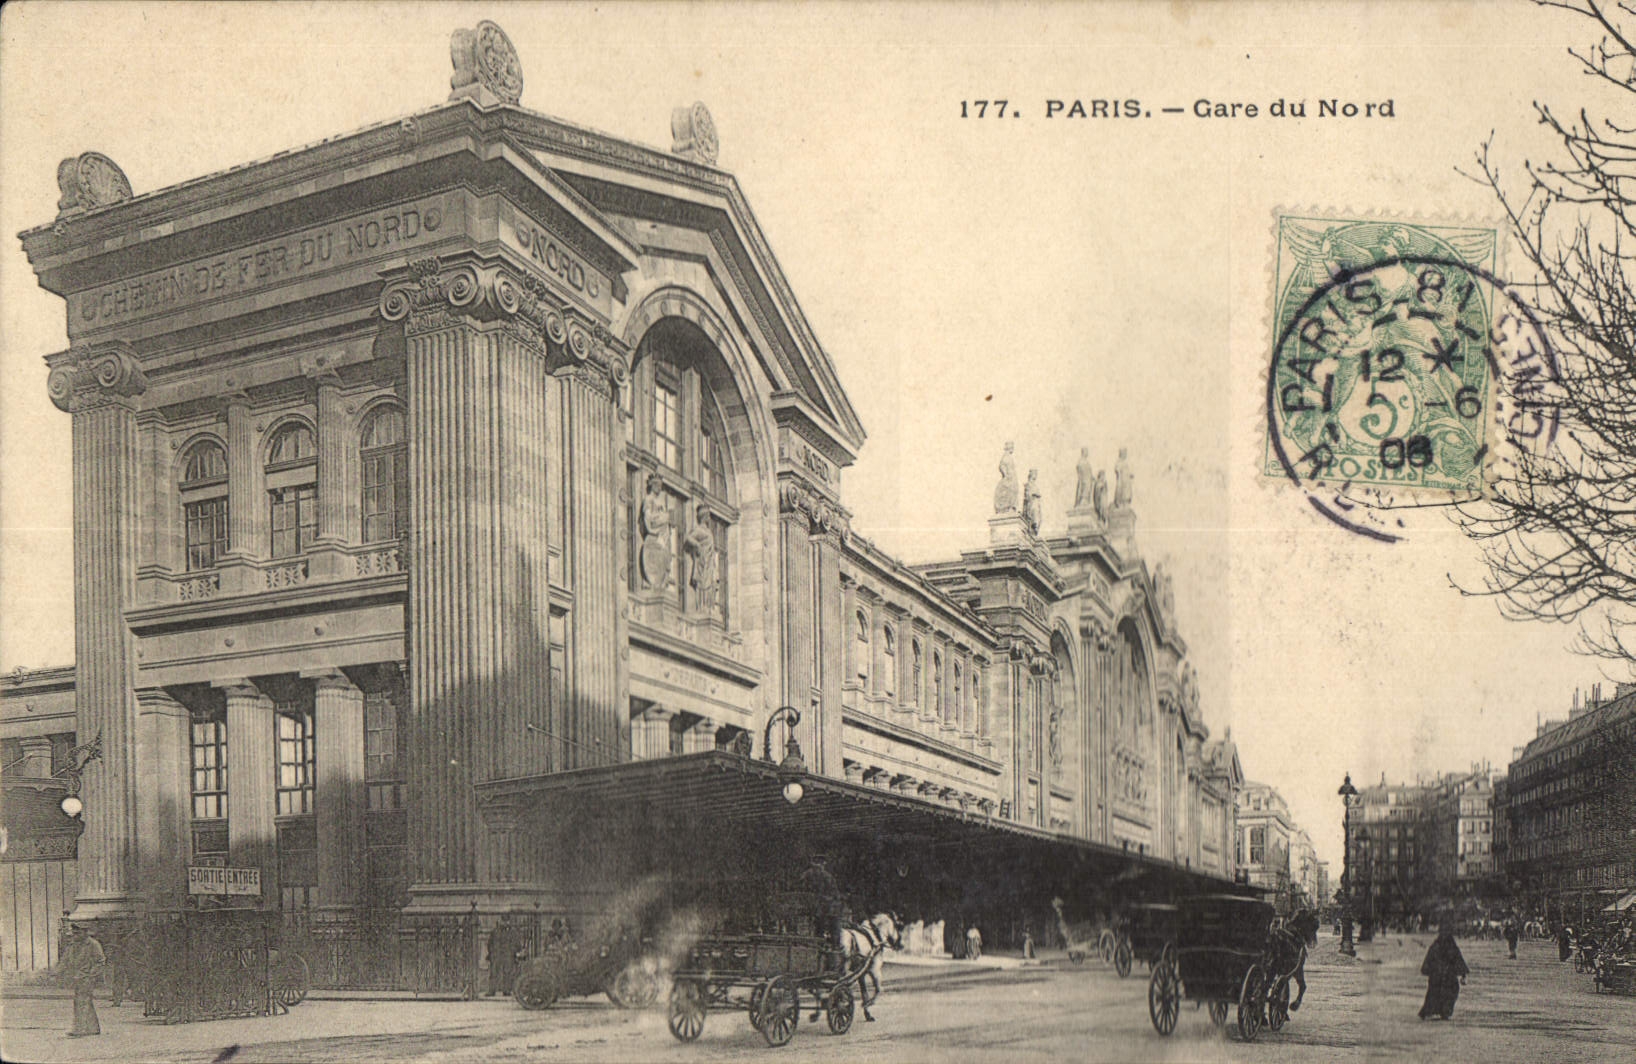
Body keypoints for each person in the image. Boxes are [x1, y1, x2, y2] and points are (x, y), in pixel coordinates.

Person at [1418, 923, 1469, 1021]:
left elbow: (1429, 959)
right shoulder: (1451, 945)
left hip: (1436, 975)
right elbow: (1458, 959)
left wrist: (1428, 970)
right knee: (1450, 992)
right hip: (1448, 975)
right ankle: (1445, 1012)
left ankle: (1428, 1011)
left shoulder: (1436, 945)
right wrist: (1463, 974)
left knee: (1434, 993)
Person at [63, 924, 106, 1037]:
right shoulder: (73, 945)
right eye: (74, 933)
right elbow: (65, 960)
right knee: (82, 1001)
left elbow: (100, 961)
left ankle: (80, 1028)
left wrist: (91, 974)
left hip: (87, 977)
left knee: (82, 1001)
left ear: (85, 932)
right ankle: (92, 1028)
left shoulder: (93, 944)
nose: (75, 935)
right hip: (76, 977)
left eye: (78, 933)